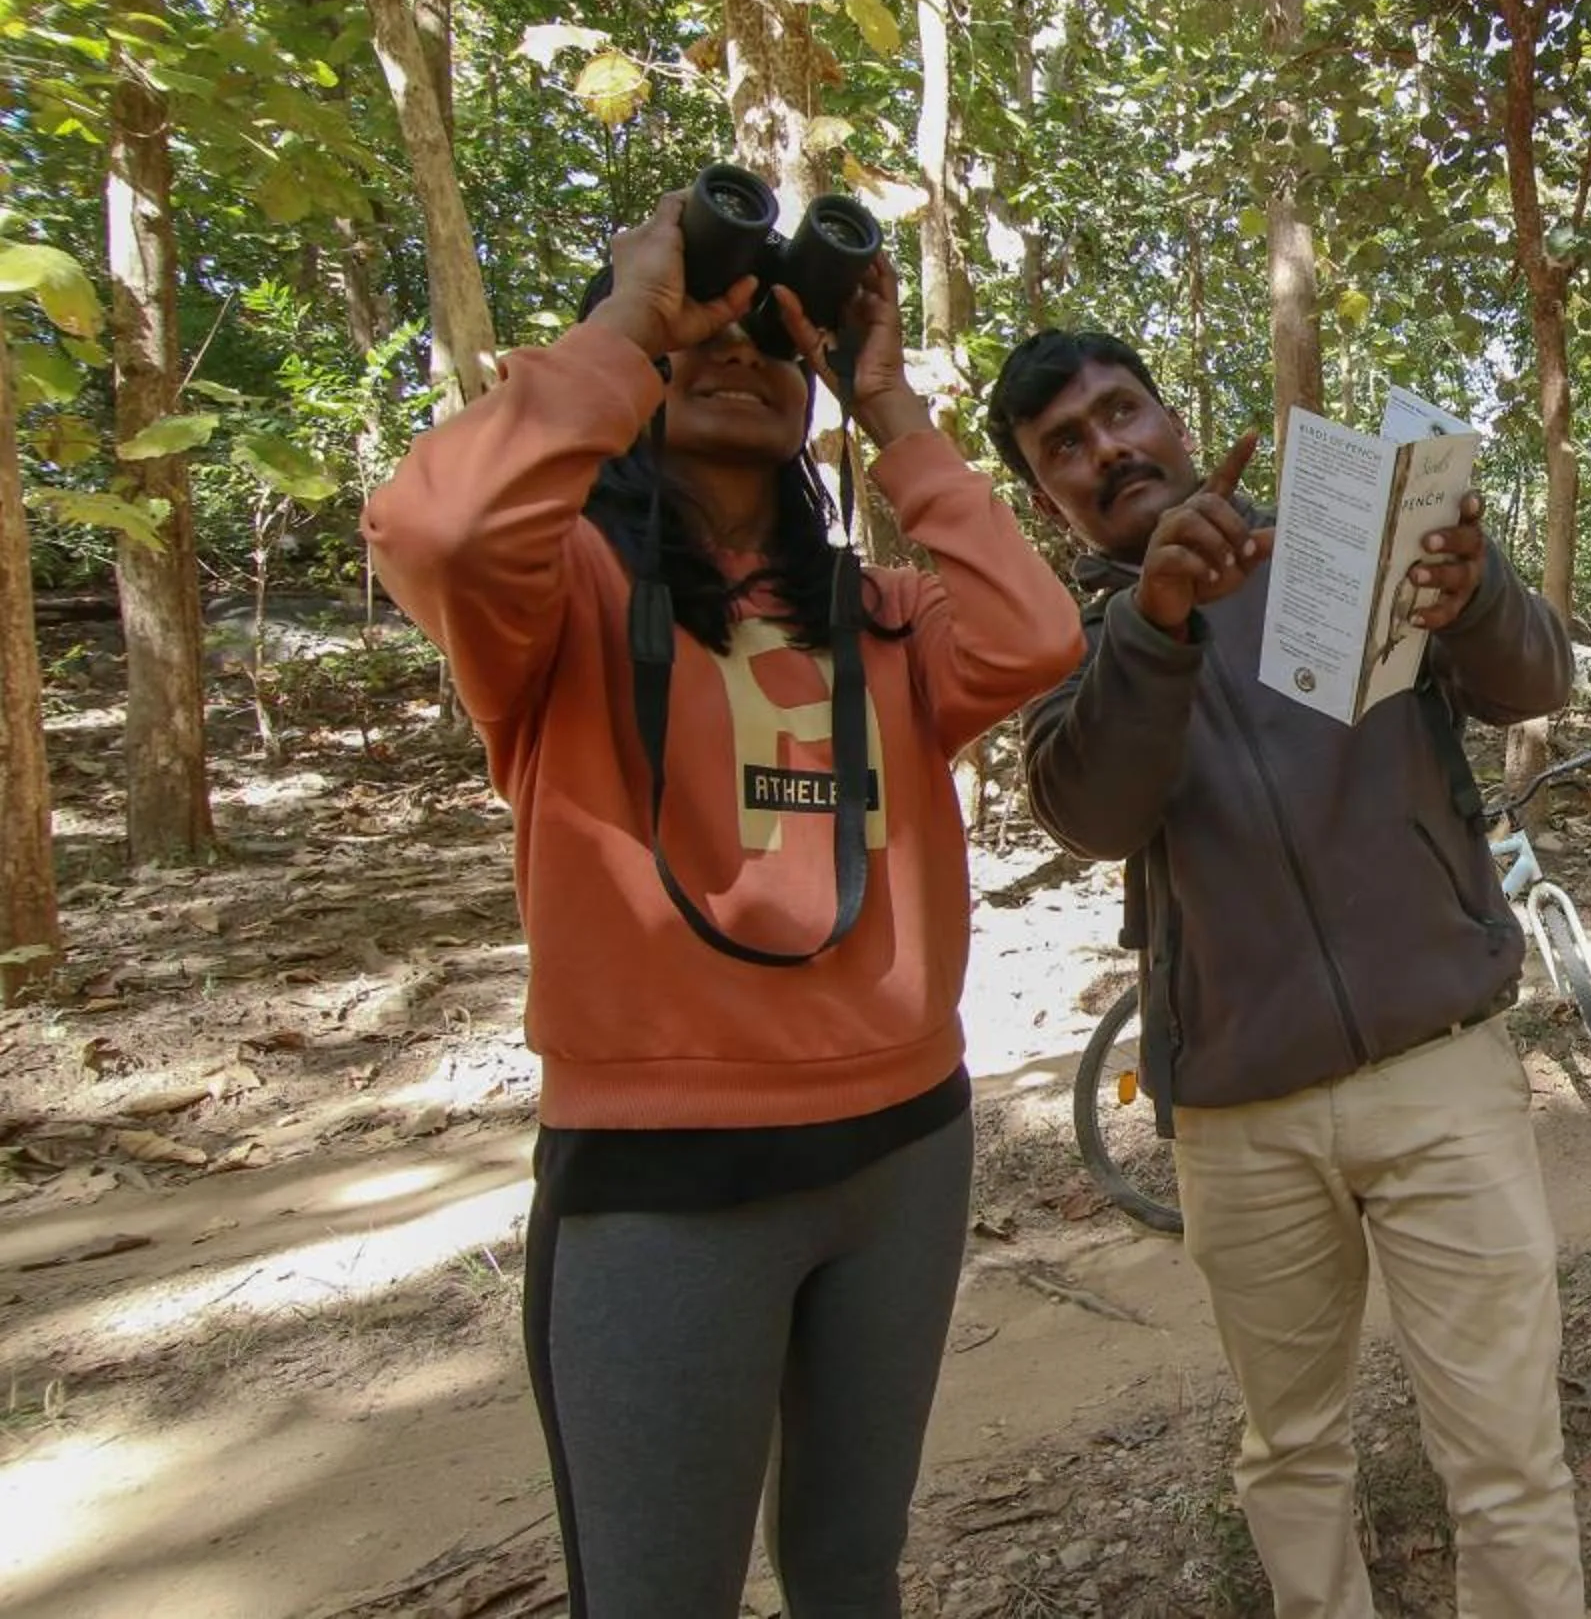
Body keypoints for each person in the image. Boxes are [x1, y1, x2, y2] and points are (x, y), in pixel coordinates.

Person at [364, 191, 1084, 1616]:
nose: (737, 349)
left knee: (847, 1571)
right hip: (665, 1179)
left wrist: (889, 408)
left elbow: (1038, 633)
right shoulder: (559, 599)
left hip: (905, 1149)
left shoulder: (881, 616)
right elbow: (434, 532)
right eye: (707, 328)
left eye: (772, 331)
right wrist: (633, 318)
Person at [997, 330, 1587, 1619]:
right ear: (1048, 499)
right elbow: (1089, 812)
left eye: (1119, 413)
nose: (1107, 451)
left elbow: (1538, 675)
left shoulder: (1346, 538)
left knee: (1506, 1458)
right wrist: (1154, 622)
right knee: (1294, 1450)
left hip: (1441, 1069)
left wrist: (1473, 591)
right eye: (1066, 448)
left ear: (1172, 416)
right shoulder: (1069, 645)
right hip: (1241, 1115)